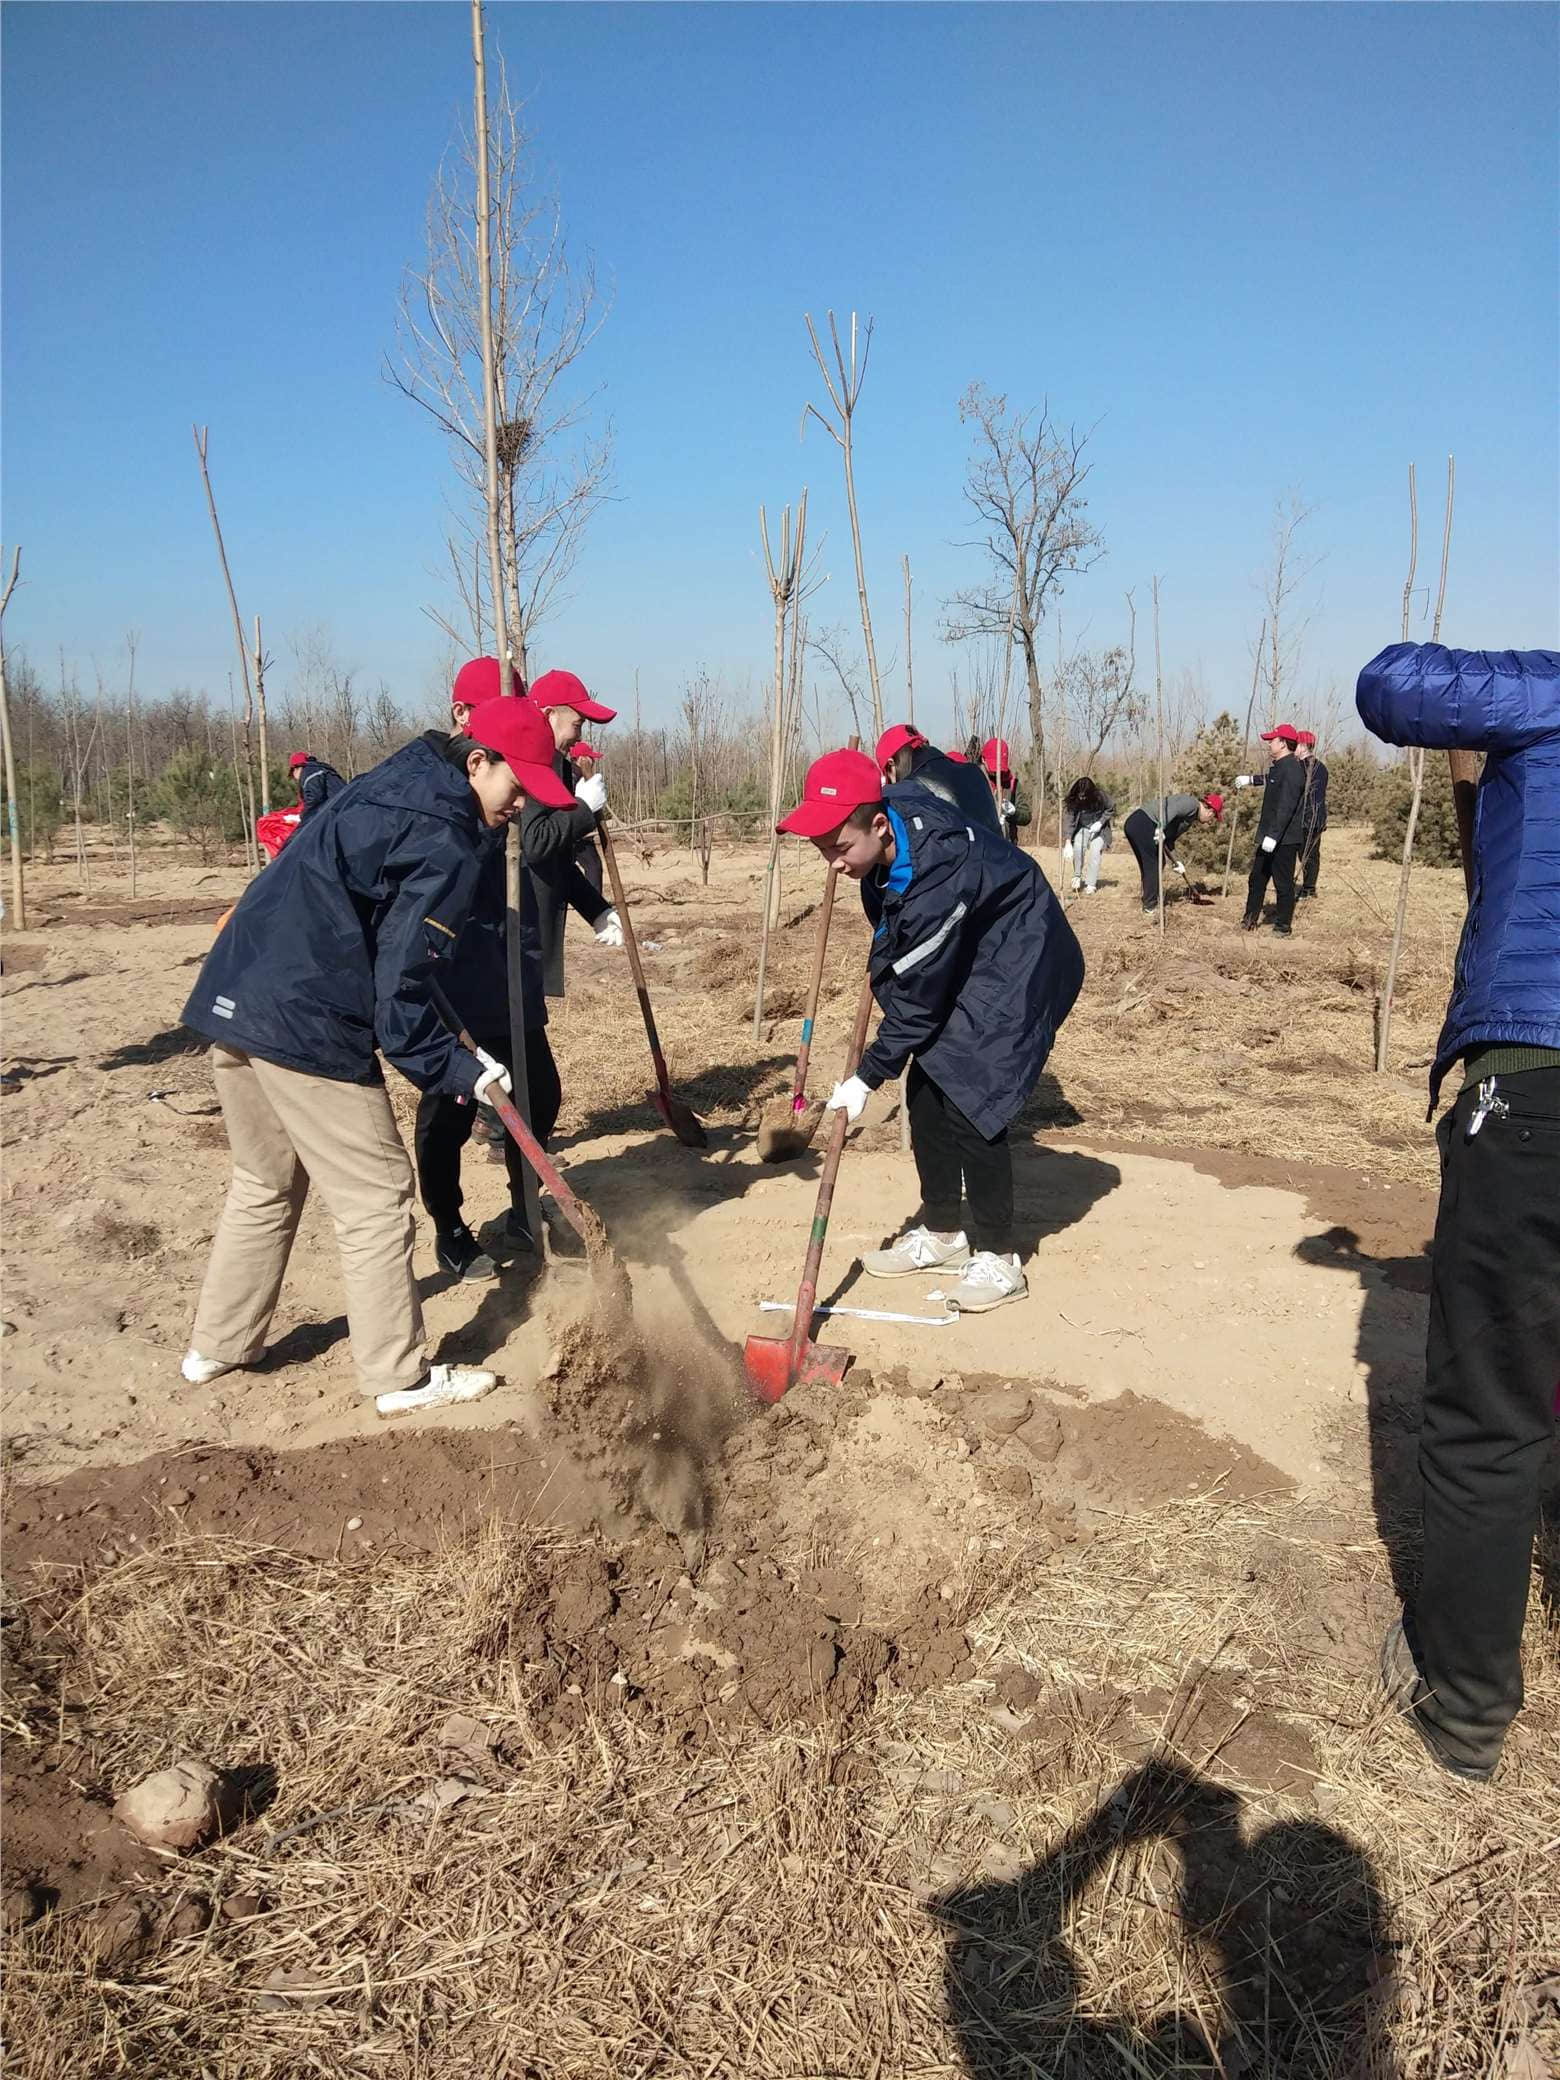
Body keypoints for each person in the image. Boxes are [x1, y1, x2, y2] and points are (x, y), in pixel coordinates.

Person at [178, 697, 576, 1418]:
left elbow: (394, 942)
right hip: (307, 1015)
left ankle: (221, 1342)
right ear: (477, 762)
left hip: (238, 987)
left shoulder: (404, 776)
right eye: (516, 787)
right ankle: (399, 1376)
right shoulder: (446, 839)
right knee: (379, 1198)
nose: (521, 806)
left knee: (263, 1181)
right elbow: (399, 994)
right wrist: (461, 1071)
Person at [1358, 642, 1560, 1783]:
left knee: (1488, 1408)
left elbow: (1389, 685)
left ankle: (1466, 1702)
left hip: (1537, 1086)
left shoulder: (1549, 693)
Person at [777, 749, 1084, 1313]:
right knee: (926, 1090)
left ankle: (998, 1257)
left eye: (840, 848)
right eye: (822, 850)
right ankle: (943, 1232)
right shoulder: (885, 830)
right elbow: (903, 946)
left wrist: (867, 1075)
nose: (833, 864)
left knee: (974, 1094)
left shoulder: (939, 871)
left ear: (876, 825)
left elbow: (919, 1000)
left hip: (1021, 954)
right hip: (972, 944)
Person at [1235, 724, 1306, 932]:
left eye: (1272, 740)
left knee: (1283, 884)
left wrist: (1273, 836)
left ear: (1283, 743)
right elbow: (1270, 780)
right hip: (1270, 835)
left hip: (1284, 839)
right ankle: (1249, 920)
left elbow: (1286, 805)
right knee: (1256, 878)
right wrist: (1251, 780)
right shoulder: (1280, 766)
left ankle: (1283, 926)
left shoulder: (1293, 769)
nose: (1269, 743)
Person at [875, 722, 1002, 835]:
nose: (893, 783)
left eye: (889, 776)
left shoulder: (910, 792)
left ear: (891, 764)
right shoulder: (974, 771)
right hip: (1002, 858)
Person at [1120, 791, 1222, 912]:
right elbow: (1170, 810)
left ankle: (1148, 899)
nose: (1209, 822)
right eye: (1212, 818)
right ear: (1211, 811)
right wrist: (1160, 827)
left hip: (1138, 824)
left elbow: (1169, 840)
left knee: (1151, 865)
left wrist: (1177, 861)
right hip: (1143, 822)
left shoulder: (1189, 819)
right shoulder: (1191, 804)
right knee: (1155, 864)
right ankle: (1150, 907)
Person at [1060, 777, 1114, 894]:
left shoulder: (1101, 797)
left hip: (1099, 829)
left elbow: (1110, 808)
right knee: (1078, 848)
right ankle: (1077, 876)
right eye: (1080, 795)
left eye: (1084, 796)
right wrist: (1068, 842)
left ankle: (1091, 884)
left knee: (1095, 853)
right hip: (1082, 828)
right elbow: (1069, 820)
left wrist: (1100, 822)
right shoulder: (1073, 800)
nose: (1082, 798)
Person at [1296, 730, 1329, 898]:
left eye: (1296, 745)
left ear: (1302, 746)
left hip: (1306, 818)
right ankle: (1310, 888)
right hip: (1318, 817)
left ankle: (1307, 889)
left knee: (1305, 854)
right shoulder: (1321, 766)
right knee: (1312, 854)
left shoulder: (1300, 767)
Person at [981, 737, 1032, 845]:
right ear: (983, 759)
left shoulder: (1012, 784)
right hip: (982, 844)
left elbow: (1026, 816)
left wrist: (1013, 813)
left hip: (1008, 845)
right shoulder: (976, 780)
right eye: (993, 767)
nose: (996, 772)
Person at [570, 742, 606, 895]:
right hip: (576, 834)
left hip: (575, 832)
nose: (594, 761)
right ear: (581, 759)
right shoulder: (574, 777)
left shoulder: (577, 776)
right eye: (592, 758)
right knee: (593, 866)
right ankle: (595, 902)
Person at [288, 749, 346, 822]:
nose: (295, 779)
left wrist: (301, 817)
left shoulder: (309, 772)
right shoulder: (318, 769)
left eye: (292, 774)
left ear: (295, 769)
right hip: (344, 809)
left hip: (341, 813)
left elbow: (314, 799)